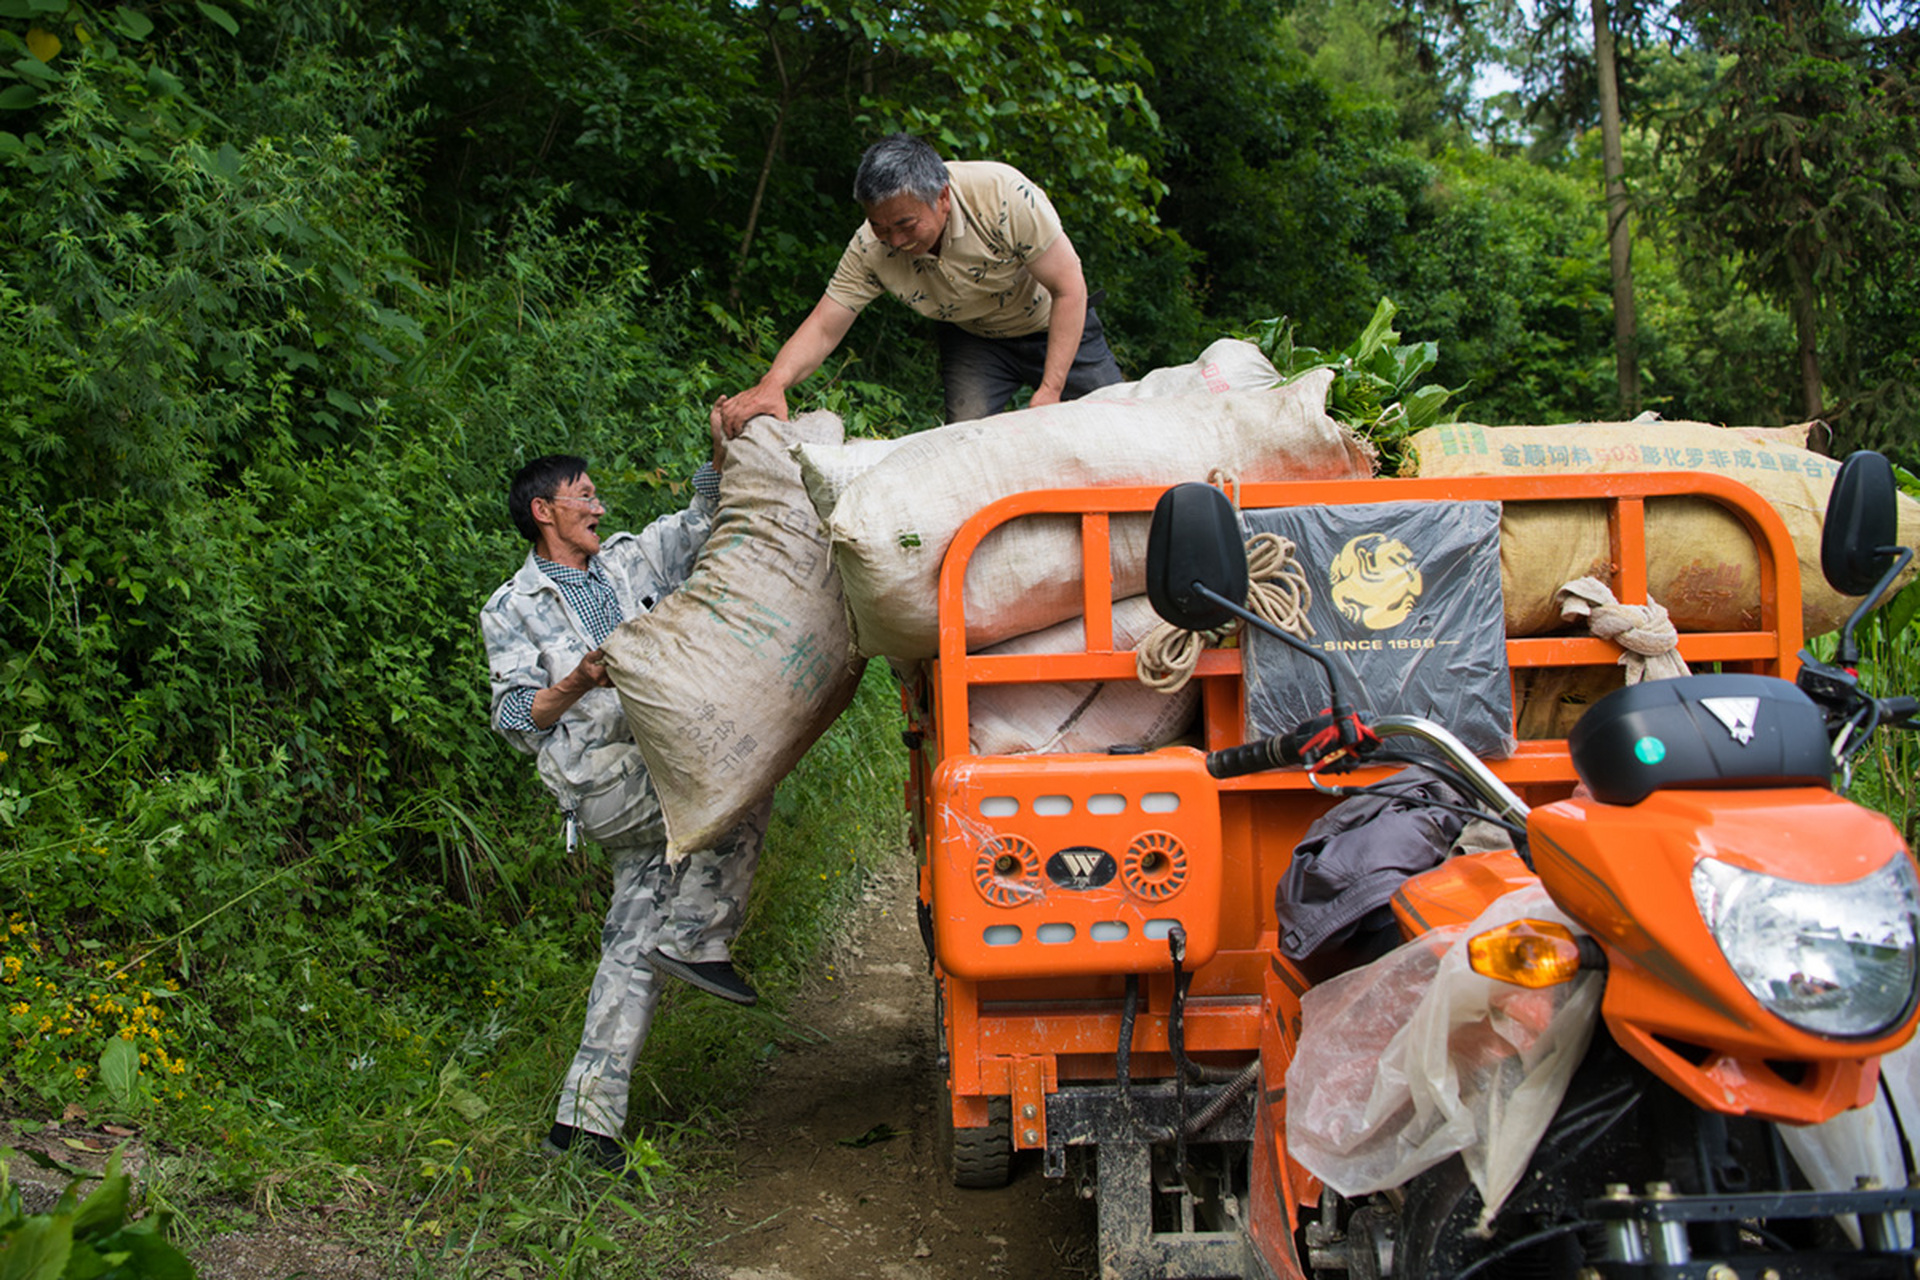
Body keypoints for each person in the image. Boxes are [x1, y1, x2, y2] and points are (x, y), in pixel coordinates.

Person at [480, 436, 771, 1176]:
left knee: (631, 943)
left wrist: (723, 447)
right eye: (583, 496)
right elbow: (518, 718)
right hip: (602, 782)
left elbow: (699, 516)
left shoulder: (625, 559)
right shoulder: (512, 608)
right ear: (544, 512)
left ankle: (583, 1123)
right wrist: (578, 679)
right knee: (740, 777)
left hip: (658, 765)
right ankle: (700, 935)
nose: (597, 506)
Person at [714, 132, 1124, 432]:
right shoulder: (868, 247)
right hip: (974, 338)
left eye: (906, 224)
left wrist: (1051, 389)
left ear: (942, 198)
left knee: (1113, 421)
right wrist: (773, 384)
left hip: (1054, 324)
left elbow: (1069, 286)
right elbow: (823, 326)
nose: (895, 240)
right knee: (963, 440)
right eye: (880, 227)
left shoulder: (1004, 196)